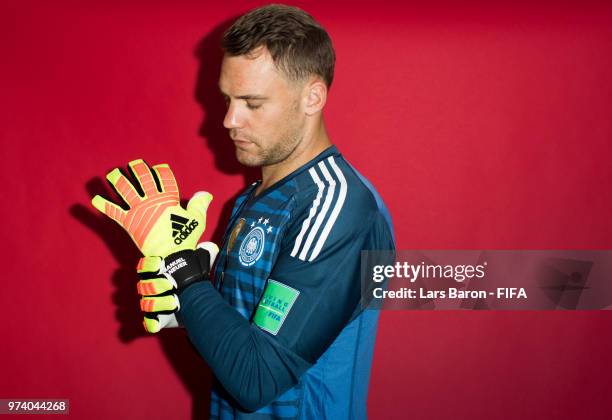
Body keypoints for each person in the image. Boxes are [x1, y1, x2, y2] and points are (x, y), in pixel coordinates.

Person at [94, 4, 395, 419]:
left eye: (252, 103)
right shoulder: (249, 200)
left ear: (313, 97)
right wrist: (180, 308)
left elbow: (257, 378)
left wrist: (184, 273)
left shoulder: (338, 206)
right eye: (228, 99)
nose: (229, 120)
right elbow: (241, 331)